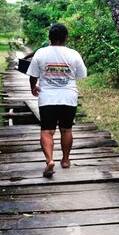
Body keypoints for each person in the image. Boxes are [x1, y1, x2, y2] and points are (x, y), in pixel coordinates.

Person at [26, 23, 87, 177]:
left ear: (50, 38)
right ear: (66, 38)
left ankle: (49, 160)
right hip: (69, 97)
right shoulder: (74, 54)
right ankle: (65, 160)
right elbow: (81, 75)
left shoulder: (41, 53)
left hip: (47, 98)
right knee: (66, 129)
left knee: (47, 131)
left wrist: (33, 87)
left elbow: (33, 75)